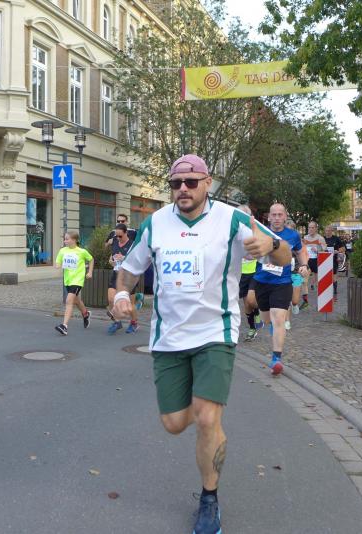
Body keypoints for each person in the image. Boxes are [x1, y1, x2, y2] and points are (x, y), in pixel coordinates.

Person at [113, 154, 291, 534]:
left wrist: (272, 243)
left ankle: (209, 498)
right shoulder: (156, 223)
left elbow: (285, 254)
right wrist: (121, 296)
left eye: (191, 182)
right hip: (169, 338)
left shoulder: (232, 219)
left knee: (207, 418)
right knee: (174, 423)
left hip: (216, 333)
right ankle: (206, 414)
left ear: (207, 183)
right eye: (176, 183)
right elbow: (129, 270)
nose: (183, 189)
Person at [252, 204, 309, 375]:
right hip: (261, 281)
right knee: (267, 319)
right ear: (269, 217)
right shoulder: (261, 232)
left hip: (282, 282)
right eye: (274, 215)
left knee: (279, 318)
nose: (277, 218)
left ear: (285, 217)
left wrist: (304, 264)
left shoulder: (293, 235)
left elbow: (301, 251)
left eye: (280, 215)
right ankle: (274, 327)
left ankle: (276, 359)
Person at [54, 230, 93, 335]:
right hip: (68, 280)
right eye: (65, 239)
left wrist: (90, 272)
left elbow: (91, 259)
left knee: (69, 301)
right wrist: (58, 265)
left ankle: (64, 326)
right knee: (76, 301)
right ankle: (85, 314)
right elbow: (58, 262)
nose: (65, 241)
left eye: (67, 239)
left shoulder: (82, 251)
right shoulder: (62, 251)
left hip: (78, 280)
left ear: (74, 240)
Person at [106, 223, 139, 334]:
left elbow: (137, 261)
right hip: (116, 274)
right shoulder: (115, 241)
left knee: (130, 303)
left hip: (129, 276)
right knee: (111, 299)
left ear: (126, 233)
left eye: (120, 236)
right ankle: (117, 322)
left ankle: (134, 323)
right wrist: (111, 261)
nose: (118, 238)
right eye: (116, 236)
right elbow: (112, 256)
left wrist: (124, 258)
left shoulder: (132, 245)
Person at [237, 205, 262, 341]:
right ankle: (252, 327)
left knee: (250, 301)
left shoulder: (254, 232)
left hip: (253, 272)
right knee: (245, 304)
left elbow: (260, 253)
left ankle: (257, 314)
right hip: (238, 275)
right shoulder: (233, 232)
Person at [302, 221, 326, 305]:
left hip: (317, 260)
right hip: (307, 260)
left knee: (318, 280)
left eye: (312, 227)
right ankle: (305, 301)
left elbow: (325, 250)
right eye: (309, 227)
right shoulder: (305, 237)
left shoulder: (320, 238)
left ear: (316, 228)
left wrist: (317, 251)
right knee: (304, 280)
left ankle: (321, 299)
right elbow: (302, 249)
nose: (311, 229)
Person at [324, 225, 346, 299]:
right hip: (323, 261)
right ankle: (325, 289)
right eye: (326, 231)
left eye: (329, 231)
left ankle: (335, 290)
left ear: (331, 231)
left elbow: (343, 248)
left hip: (333, 259)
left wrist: (337, 251)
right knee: (325, 275)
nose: (327, 232)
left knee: (333, 275)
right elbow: (319, 248)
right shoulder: (322, 239)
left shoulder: (336, 238)